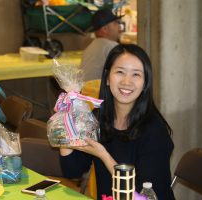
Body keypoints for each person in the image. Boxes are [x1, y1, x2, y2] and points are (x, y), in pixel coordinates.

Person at [60, 44, 175, 200]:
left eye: (136, 75)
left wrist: (103, 155)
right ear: (107, 78)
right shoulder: (98, 117)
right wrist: (64, 129)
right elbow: (73, 172)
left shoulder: (154, 132)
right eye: (120, 72)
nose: (127, 82)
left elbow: (145, 196)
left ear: (145, 84)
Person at [81, 8, 121, 81]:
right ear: (104, 29)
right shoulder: (112, 47)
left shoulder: (90, 47)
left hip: (86, 90)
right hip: (99, 91)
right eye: (115, 23)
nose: (119, 26)